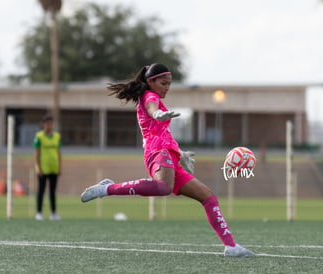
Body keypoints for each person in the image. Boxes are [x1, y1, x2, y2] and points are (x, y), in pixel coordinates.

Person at [81, 63, 255, 257]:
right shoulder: (150, 96)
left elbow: (163, 130)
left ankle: (231, 246)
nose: (167, 87)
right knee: (163, 187)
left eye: (169, 84)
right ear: (150, 81)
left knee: (208, 197)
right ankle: (107, 189)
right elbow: (151, 107)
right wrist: (156, 113)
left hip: (168, 152)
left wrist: (181, 153)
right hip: (157, 151)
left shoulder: (156, 99)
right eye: (163, 83)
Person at [34, 115, 62, 221]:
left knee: (52, 191)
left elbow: (59, 153)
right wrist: (38, 167)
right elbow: (36, 153)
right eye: (47, 123)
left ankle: (54, 213)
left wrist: (59, 167)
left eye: (51, 123)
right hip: (42, 169)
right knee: (41, 191)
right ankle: (39, 213)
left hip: (54, 168)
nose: (49, 125)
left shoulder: (57, 136)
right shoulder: (39, 136)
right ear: (43, 124)